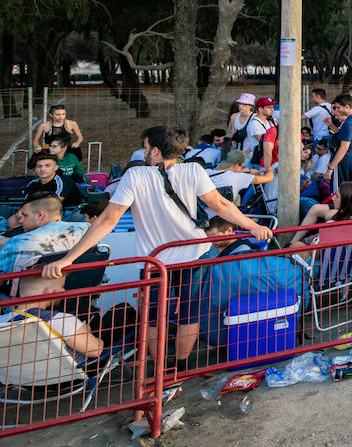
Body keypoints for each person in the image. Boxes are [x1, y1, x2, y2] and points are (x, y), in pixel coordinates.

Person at [42, 125, 272, 378]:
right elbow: (219, 204)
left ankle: (159, 369)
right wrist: (252, 226)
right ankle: (181, 369)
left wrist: (69, 258)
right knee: (190, 313)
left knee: (153, 317)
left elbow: (108, 220)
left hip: (155, 261)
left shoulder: (135, 176)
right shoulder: (193, 169)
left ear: (154, 150)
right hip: (194, 253)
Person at [0, 276, 104, 367]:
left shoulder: (2, 322)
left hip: (21, 381)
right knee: (118, 312)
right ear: (48, 291)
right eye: (62, 286)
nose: (64, 291)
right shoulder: (61, 320)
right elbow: (96, 351)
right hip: (67, 378)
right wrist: (90, 334)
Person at [0, 195, 88, 274]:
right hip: (81, 288)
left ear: (40, 215)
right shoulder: (88, 230)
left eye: (25, 215)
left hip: (31, 290)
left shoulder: (16, 243)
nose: (21, 220)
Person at [290, 182, 352, 246]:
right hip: (345, 261)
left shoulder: (337, 224)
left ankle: (290, 245)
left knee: (295, 246)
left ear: (346, 201)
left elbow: (316, 249)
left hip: (321, 261)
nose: (333, 198)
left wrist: (306, 241)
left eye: (337, 196)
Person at [17, 153, 83, 213]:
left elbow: (54, 204)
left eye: (47, 166)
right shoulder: (32, 184)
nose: (42, 169)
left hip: (70, 213)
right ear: (35, 169)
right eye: (39, 166)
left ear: (56, 168)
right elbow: (26, 205)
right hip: (41, 214)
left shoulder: (64, 181)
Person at [326, 94, 352, 191]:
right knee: (351, 191)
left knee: (339, 191)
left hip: (343, 161)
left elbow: (344, 147)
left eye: (338, 107)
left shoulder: (348, 123)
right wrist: (331, 126)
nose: (336, 110)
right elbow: (345, 136)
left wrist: (331, 167)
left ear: (347, 107)